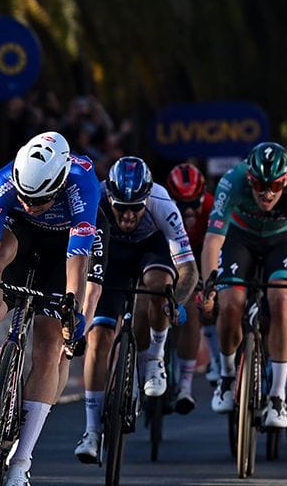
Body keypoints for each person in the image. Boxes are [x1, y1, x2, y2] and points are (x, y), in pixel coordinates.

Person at [0, 131, 100, 486]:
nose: (31, 203)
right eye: (26, 196)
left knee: (49, 346)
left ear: (60, 182)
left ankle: (21, 461)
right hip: (24, 234)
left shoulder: (83, 185)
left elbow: (77, 260)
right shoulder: (3, 181)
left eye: (41, 198)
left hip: (66, 243)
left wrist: (72, 308)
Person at [73, 157, 198, 463]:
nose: (128, 215)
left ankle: (154, 358)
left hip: (150, 248)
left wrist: (175, 302)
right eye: (121, 208)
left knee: (158, 286)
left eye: (135, 208)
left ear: (146, 199)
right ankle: (91, 431)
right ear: (110, 199)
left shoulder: (162, 203)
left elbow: (189, 269)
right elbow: (76, 260)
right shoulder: (96, 200)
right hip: (109, 255)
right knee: (99, 337)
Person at [201, 142, 287, 430]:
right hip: (241, 238)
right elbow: (213, 240)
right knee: (229, 304)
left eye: (276, 186)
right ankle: (227, 377)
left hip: (283, 240)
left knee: (282, 301)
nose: (267, 193)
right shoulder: (232, 181)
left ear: (286, 181)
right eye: (259, 185)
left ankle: (278, 397)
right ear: (249, 179)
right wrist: (209, 286)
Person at [165, 162, 216, 388]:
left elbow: (217, 249)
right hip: (173, 256)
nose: (188, 211)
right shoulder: (163, 206)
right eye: (182, 204)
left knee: (198, 309)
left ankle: (185, 383)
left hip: (203, 254)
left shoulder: (213, 207)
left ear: (203, 197)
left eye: (194, 203)